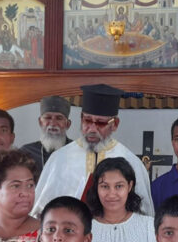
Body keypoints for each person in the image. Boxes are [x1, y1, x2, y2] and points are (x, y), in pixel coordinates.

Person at [33, 84, 154, 217]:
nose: (92, 129)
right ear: (81, 118)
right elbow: (40, 210)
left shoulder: (130, 161)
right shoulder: (60, 158)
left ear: (115, 124)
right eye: (87, 120)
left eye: (100, 123)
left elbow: (143, 214)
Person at [20, 96, 73, 171]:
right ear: (40, 122)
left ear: (68, 124)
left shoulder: (78, 152)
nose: (53, 123)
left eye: (59, 118)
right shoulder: (26, 153)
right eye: (48, 118)